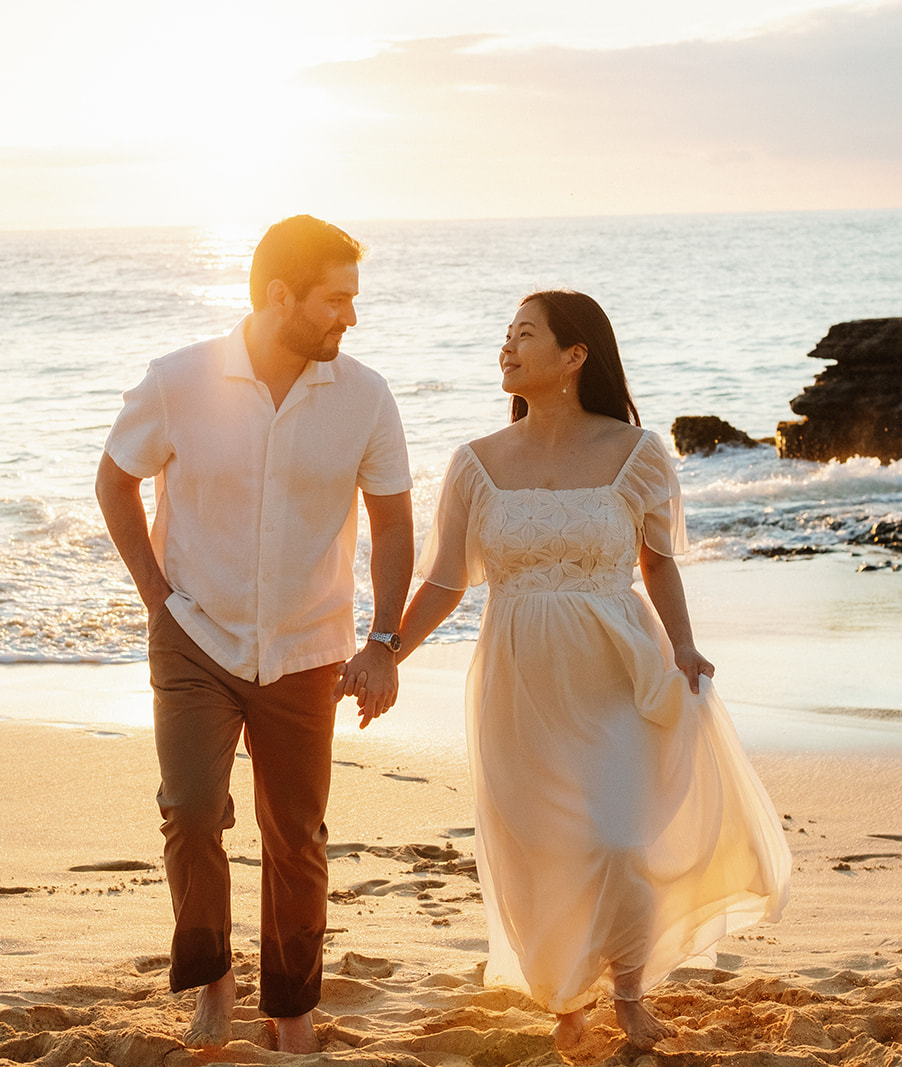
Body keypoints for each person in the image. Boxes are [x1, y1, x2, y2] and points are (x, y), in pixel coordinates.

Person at [395, 290, 791, 1052]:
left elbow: (658, 563)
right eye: (505, 334)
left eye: (526, 335)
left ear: (575, 356)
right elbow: (444, 581)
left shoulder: (636, 452)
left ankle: (630, 985)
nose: (507, 347)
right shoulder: (475, 464)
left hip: (617, 664)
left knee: (617, 837)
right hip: (519, 676)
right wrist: (388, 650)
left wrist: (682, 644)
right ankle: (568, 994)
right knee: (542, 845)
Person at [94, 215, 414, 1054]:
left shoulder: (366, 396)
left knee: (296, 834)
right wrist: (156, 598)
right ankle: (212, 982)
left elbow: (393, 519)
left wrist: (384, 637)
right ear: (281, 296)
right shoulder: (180, 381)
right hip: (194, 633)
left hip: (309, 649)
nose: (350, 317)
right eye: (336, 299)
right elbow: (115, 479)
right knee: (192, 812)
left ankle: (292, 1007)